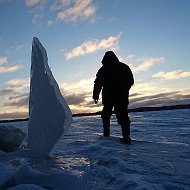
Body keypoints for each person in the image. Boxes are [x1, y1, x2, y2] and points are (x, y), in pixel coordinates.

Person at [93, 51, 134, 144]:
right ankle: (125, 137)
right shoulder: (124, 67)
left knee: (108, 115)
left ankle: (107, 134)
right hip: (119, 97)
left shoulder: (103, 69)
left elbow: (97, 84)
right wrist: (124, 89)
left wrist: (95, 95)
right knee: (120, 116)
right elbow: (130, 81)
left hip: (111, 97)